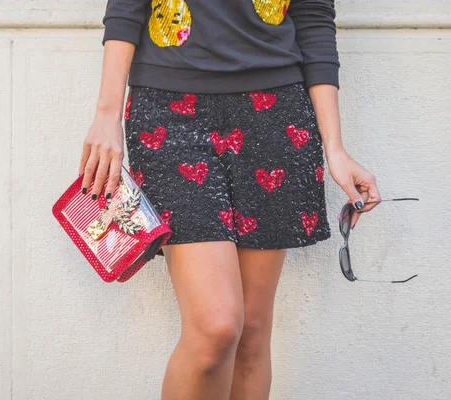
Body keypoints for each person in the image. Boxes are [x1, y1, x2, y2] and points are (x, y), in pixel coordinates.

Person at [79, 0, 382, 399]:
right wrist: (106, 114)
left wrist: (336, 150)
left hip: (276, 112)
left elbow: (313, 19)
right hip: (170, 111)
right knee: (215, 328)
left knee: (252, 333)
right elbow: (126, 7)